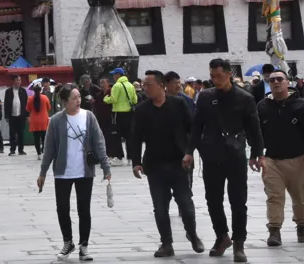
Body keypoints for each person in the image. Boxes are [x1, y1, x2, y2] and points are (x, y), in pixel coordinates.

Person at [190, 58, 263, 263]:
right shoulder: (204, 96)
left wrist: (258, 154)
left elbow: (254, 128)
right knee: (213, 200)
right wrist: (189, 151)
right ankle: (222, 236)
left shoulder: (244, 98)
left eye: (219, 76)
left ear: (229, 74)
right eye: (212, 76)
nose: (215, 80)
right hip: (211, 155)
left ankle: (239, 242)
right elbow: (197, 126)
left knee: (238, 201)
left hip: (236, 155)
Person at [130, 70, 203, 257]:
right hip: (154, 165)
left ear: (161, 85)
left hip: (179, 163)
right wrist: (136, 162)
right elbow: (136, 137)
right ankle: (166, 243)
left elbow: (192, 128)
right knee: (160, 207)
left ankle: (193, 234)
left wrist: (190, 152)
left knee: (185, 203)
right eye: (144, 85)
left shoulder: (179, 104)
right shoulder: (141, 110)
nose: (145, 88)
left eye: (149, 85)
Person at [37, 87, 111, 262]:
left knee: (83, 210)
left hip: (84, 172)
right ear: (64, 101)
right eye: (74, 98)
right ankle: (67, 242)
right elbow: (49, 149)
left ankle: (84, 246)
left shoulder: (88, 117)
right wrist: (43, 172)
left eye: (79, 97)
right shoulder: (55, 121)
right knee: (62, 209)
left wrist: (106, 168)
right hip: (63, 172)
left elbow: (99, 142)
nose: (78, 100)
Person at [258, 67, 304, 247]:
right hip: (271, 159)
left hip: (297, 157)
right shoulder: (262, 106)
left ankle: (302, 226)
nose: (276, 82)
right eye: (272, 80)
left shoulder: (301, 105)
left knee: (300, 196)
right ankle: (274, 230)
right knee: (274, 195)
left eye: (280, 79)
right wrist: (256, 154)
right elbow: (256, 132)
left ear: (287, 82)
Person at [103, 67, 138, 165]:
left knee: (116, 136)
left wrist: (105, 98)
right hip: (129, 114)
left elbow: (113, 99)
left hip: (118, 114)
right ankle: (130, 158)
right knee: (129, 136)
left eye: (114, 74)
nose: (113, 76)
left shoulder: (117, 86)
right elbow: (135, 100)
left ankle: (119, 158)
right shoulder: (131, 85)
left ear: (118, 74)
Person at [3, 75, 28, 155]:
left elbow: (26, 104)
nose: (18, 82)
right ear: (13, 81)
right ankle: (12, 150)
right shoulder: (8, 91)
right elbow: (6, 104)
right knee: (12, 133)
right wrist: (6, 115)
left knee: (21, 133)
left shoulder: (23, 91)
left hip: (21, 115)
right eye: (17, 80)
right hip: (12, 115)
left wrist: (27, 115)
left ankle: (21, 150)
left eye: (20, 80)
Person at [27, 83, 51, 158]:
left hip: (34, 121)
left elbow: (28, 109)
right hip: (44, 120)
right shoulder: (45, 98)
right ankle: (44, 152)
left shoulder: (30, 98)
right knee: (44, 138)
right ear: (41, 89)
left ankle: (38, 154)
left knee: (36, 139)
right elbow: (49, 108)